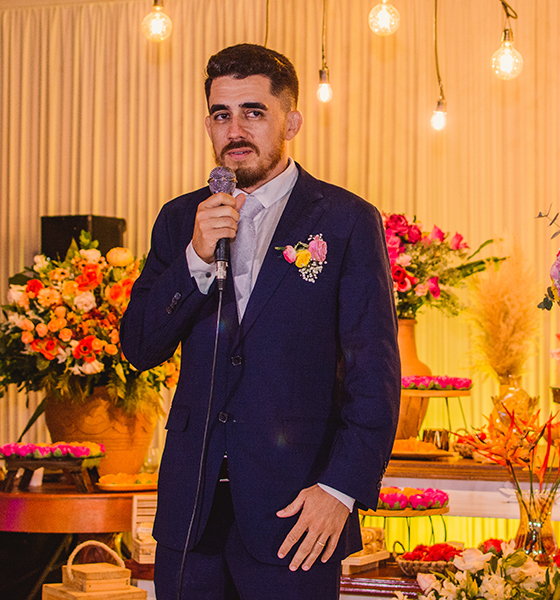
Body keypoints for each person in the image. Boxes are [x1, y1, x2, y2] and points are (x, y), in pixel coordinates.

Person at [120, 43, 400, 600]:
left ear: (290, 120)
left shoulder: (344, 220)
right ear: (207, 123)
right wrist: (195, 259)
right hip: (191, 513)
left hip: (297, 515)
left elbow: (375, 375)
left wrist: (341, 489)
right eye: (221, 115)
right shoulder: (181, 220)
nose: (235, 129)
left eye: (253, 111)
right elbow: (139, 344)